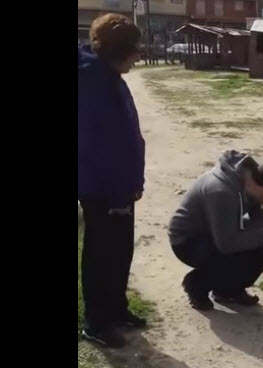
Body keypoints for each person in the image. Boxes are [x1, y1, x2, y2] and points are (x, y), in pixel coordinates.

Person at [78, 13, 145, 348]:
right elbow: (96, 148)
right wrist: (118, 190)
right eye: (135, 50)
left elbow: (127, 137)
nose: (138, 56)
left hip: (121, 187)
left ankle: (116, 308)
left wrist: (134, 181)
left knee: (120, 252)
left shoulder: (110, 77)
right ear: (119, 51)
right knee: (101, 255)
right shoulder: (92, 83)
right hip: (102, 189)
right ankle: (96, 322)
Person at [168, 151, 263, 310]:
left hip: (218, 232)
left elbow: (254, 221)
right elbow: (227, 244)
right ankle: (196, 285)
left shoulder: (253, 185)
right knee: (239, 250)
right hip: (188, 240)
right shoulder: (222, 192)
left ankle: (228, 290)